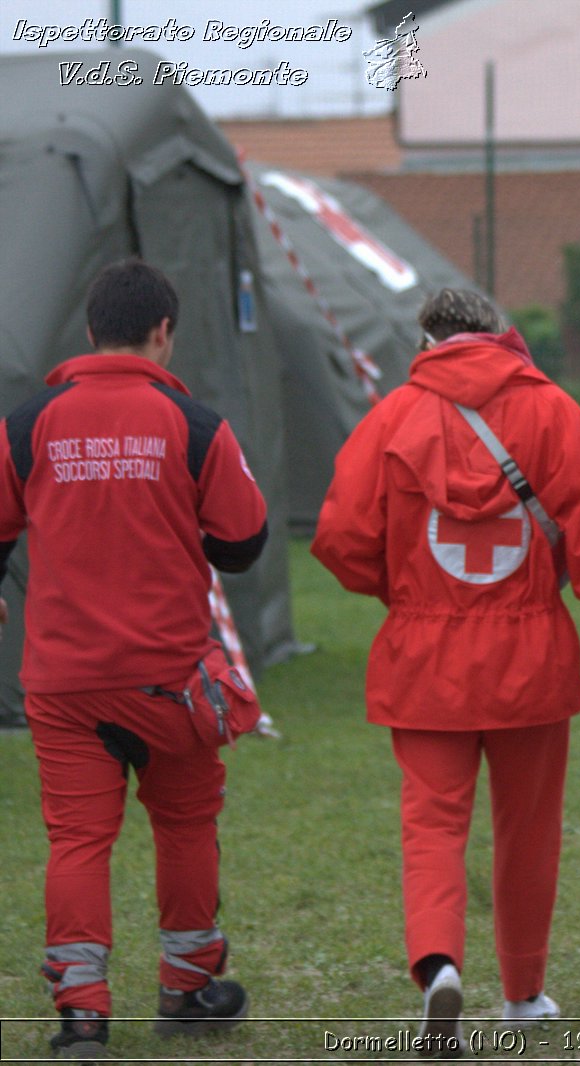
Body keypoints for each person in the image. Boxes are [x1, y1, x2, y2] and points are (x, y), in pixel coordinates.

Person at [312, 289, 580, 1058]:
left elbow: (338, 537)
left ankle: (438, 968)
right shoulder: (552, 411)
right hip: (530, 658)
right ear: (501, 331)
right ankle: (524, 994)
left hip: (424, 660)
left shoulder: (392, 417)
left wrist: (400, 591)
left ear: (426, 340)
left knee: (431, 825)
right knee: (527, 831)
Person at [0, 258, 269, 1058]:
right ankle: (188, 989)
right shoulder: (195, 426)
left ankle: (82, 1014)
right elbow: (246, 543)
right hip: (171, 681)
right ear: (164, 333)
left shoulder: (27, 423)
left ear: (88, 333)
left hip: (64, 682)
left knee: (77, 840)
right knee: (185, 826)